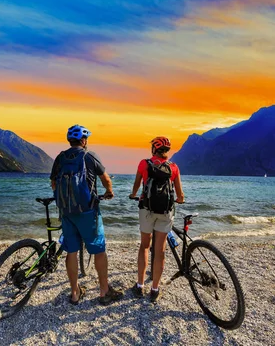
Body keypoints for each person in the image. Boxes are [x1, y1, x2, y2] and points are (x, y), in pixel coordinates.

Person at [50, 124, 124, 306]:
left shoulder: (60, 158)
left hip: (66, 212)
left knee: (71, 251)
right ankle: (104, 291)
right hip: (87, 212)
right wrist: (109, 191)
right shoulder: (89, 155)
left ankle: (75, 293)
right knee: (99, 250)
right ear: (84, 141)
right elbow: (105, 179)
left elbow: (53, 183)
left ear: (70, 140)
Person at [129, 136, 184, 302]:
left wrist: (133, 195)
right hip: (165, 212)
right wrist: (180, 199)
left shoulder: (144, 164)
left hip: (147, 209)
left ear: (154, 149)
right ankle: (154, 289)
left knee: (145, 246)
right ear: (167, 151)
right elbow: (180, 195)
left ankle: (139, 286)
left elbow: (137, 185)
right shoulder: (173, 167)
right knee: (160, 251)